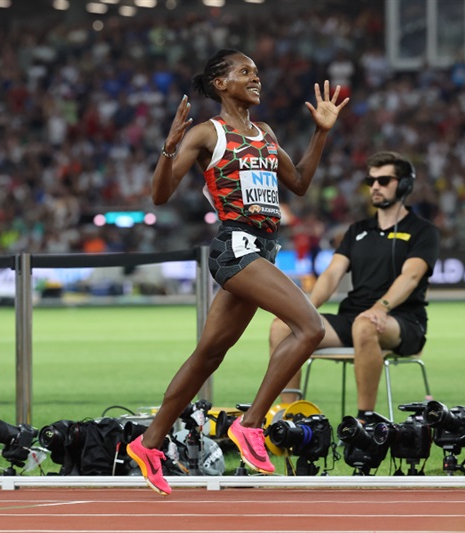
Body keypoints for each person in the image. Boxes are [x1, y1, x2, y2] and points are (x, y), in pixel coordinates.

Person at [126, 49, 349, 496]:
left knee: (209, 354)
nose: (256, 78)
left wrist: (320, 134)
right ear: (221, 84)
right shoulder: (209, 132)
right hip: (236, 248)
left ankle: (148, 443)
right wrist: (169, 147)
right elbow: (160, 194)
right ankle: (250, 426)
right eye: (245, 72)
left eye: (257, 72)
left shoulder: (263, 133)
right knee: (308, 328)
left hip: (261, 251)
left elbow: (300, 183)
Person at [269, 151, 440, 421]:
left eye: (384, 180)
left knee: (365, 323)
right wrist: (303, 309)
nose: (375, 187)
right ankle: (291, 418)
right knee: (283, 326)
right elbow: (331, 274)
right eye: (370, 181)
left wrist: (380, 308)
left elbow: (411, 277)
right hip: (353, 320)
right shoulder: (357, 230)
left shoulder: (423, 231)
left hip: (403, 322)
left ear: (405, 184)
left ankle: (365, 421)